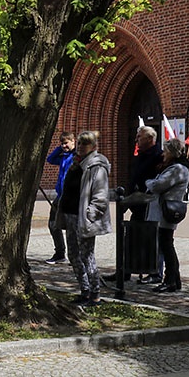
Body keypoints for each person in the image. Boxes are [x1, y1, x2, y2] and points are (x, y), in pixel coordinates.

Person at [56, 131, 111, 306]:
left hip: (84, 218)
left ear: (93, 147)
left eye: (84, 144)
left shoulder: (96, 166)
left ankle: (95, 294)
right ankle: (84, 290)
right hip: (70, 215)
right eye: (79, 143)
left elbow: (100, 196)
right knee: (73, 254)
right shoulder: (76, 163)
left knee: (87, 256)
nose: (80, 147)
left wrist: (90, 214)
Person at [146, 138, 189, 293]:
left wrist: (149, 182)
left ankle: (170, 280)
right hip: (165, 210)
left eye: (166, 151)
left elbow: (158, 185)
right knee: (167, 245)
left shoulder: (177, 169)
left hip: (167, 211)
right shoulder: (174, 167)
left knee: (166, 246)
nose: (163, 154)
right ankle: (174, 279)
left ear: (172, 152)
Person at [130, 126, 165, 284]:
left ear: (150, 139)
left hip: (150, 204)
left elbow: (156, 181)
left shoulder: (159, 156)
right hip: (137, 203)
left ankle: (156, 272)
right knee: (131, 238)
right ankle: (125, 270)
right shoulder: (141, 155)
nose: (136, 139)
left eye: (139, 137)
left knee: (153, 238)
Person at [44, 132, 76, 265]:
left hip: (71, 196)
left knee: (70, 226)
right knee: (53, 224)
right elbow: (50, 159)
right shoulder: (63, 156)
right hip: (60, 195)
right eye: (62, 143)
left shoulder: (76, 157)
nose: (64, 146)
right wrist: (60, 149)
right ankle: (59, 253)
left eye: (66, 143)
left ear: (74, 141)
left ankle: (74, 256)